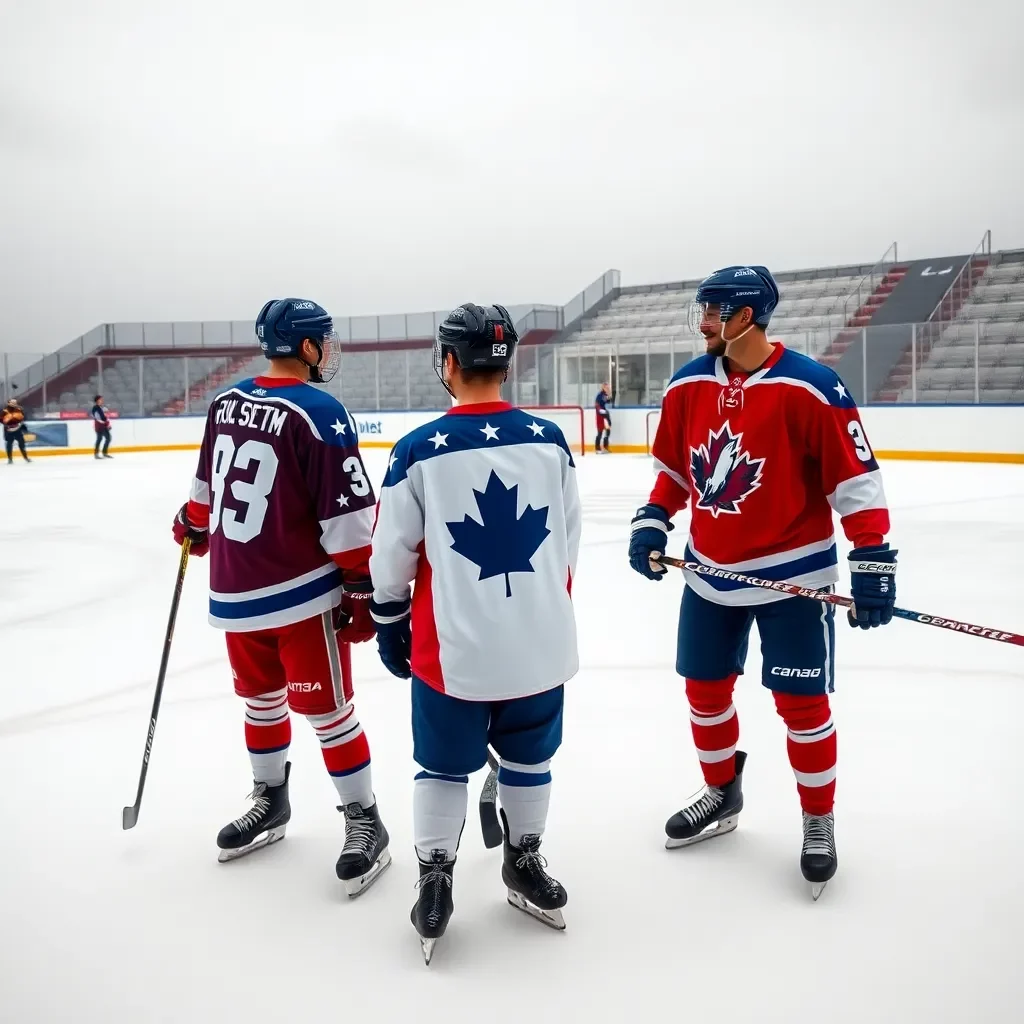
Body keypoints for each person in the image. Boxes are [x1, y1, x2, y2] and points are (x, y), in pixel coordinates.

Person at [628, 266, 896, 900]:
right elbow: (674, 469)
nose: (702, 323)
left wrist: (873, 559)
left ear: (746, 316)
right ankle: (722, 791)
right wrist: (653, 519)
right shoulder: (688, 384)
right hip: (709, 574)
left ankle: (817, 819)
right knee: (704, 692)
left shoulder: (811, 387)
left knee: (803, 709)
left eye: (713, 311)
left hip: (792, 578)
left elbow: (856, 484)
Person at [369, 303, 581, 964]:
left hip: (451, 652)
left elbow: (390, 556)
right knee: (529, 758)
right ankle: (524, 859)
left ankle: (435, 875)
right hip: (541, 643)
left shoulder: (417, 452)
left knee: (440, 766)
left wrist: (388, 619)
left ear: (450, 363)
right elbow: (568, 542)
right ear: (506, 362)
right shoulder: (551, 440)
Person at [170, 297, 391, 896]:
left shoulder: (225, 401)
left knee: (285, 706)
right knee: (306, 709)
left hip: (238, 584)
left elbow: (204, 488)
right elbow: (348, 519)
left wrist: (193, 521)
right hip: (298, 594)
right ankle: (276, 802)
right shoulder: (321, 411)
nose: (330, 349)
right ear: (308, 346)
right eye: (325, 339)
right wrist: (362, 586)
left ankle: (363, 819)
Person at [3, 399, 31, 464]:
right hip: (9, 431)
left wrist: (23, 428)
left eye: (15, 402)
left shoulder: (20, 409)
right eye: (12, 402)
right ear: (9, 403)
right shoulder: (5, 410)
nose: (14, 404)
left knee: (22, 444)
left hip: (18, 430)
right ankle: (10, 459)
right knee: (9, 444)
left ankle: (26, 458)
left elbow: (23, 419)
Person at [594, 381, 612, 453]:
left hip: (605, 415)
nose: (607, 388)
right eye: (606, 387)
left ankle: (605, 447)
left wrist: (609, 397)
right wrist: (601, 411)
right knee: (600, 432)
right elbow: (597, 405)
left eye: (608, 387)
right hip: (600, 416)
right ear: (603, 387)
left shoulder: (605, 395)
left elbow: (608, 402)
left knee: (607, 432)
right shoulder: (599, 395)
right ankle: (597, 448)